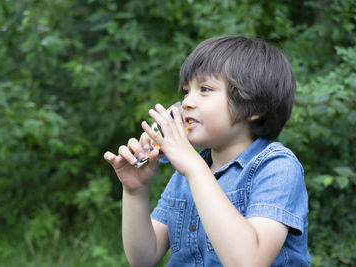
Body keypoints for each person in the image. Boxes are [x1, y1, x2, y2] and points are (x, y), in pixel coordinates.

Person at [104, 35, 310, 266]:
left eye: (205, 88)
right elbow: (143, 258)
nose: (187, 102)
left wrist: (193, 167)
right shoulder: (188, 173)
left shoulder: (277, 167)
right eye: (186, 91)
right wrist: (135, 191)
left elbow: (248, 261)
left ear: (255, 108)